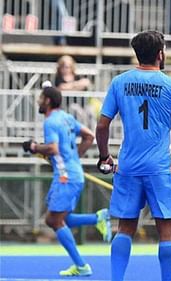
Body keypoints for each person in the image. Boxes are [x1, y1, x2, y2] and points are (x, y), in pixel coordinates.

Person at [95, 30, 171, 281]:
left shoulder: (119, 82)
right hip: (162, 168)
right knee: (166, 231)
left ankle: (116, 279)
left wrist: (105, 156)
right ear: (161, 54)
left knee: (125, 228)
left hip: (128, 166)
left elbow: (102, 125)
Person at [22, 85, 111, 277]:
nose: (38, 101)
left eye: (40, 98)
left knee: (54, 220)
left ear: (47, 101)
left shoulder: (50, 122)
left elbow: (53, 148)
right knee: (60, 219)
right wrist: (73, 159)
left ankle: (81, 266)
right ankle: (98, 218)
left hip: (66, 177)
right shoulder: (66, 117)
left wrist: (34, 146)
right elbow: (89, 136)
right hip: (71, 174)